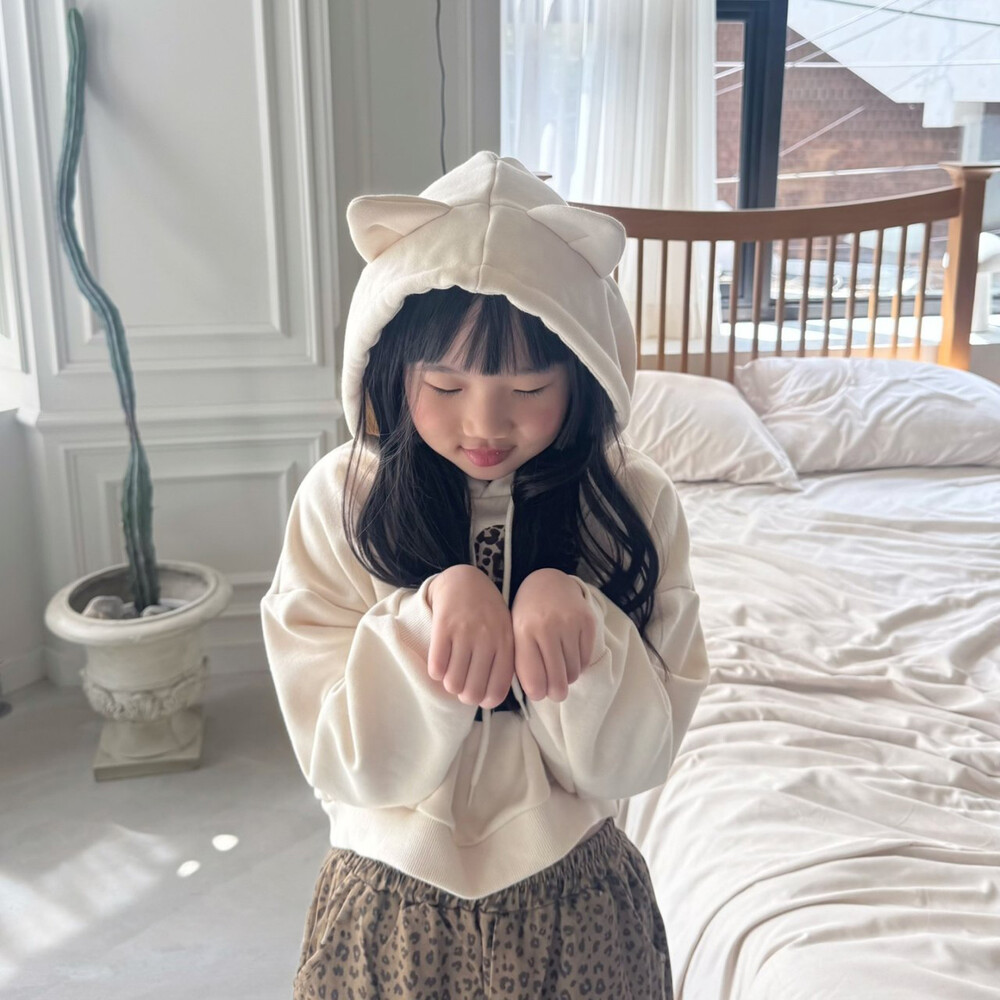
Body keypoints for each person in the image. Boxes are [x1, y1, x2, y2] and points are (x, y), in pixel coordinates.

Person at [260, 150, 711, 999]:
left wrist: (579, 625)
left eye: (530, 388)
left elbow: (631, 762)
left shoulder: (630, 504)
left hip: (579, 904)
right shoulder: (342, 499)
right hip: (387, 907)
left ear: (584, 375)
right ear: (391, 368)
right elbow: (347, 762)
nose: (486, 424)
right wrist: (428, 618)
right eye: (445, 384)